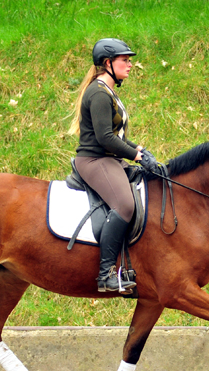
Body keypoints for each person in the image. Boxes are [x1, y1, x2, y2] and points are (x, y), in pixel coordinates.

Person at [68, 38, 159, 293]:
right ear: (108, 63)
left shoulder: (108, 91)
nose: (130, 65)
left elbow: (116, 136)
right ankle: (106, 273)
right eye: (125, 60)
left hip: (109, 158)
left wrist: (139, 149)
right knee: (125, 205)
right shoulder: (98, 93)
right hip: (94, 160)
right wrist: (135, 156)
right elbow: (104, 138)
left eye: (129, 60)